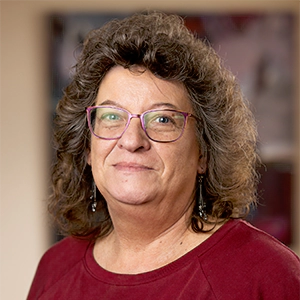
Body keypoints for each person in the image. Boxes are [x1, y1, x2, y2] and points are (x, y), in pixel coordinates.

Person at [27, 11, 300, 299]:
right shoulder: (55, 269)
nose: (131, 140)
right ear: (87, 149)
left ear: (204, 153)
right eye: (111, 116)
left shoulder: (266, 274)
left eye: (162, 119)